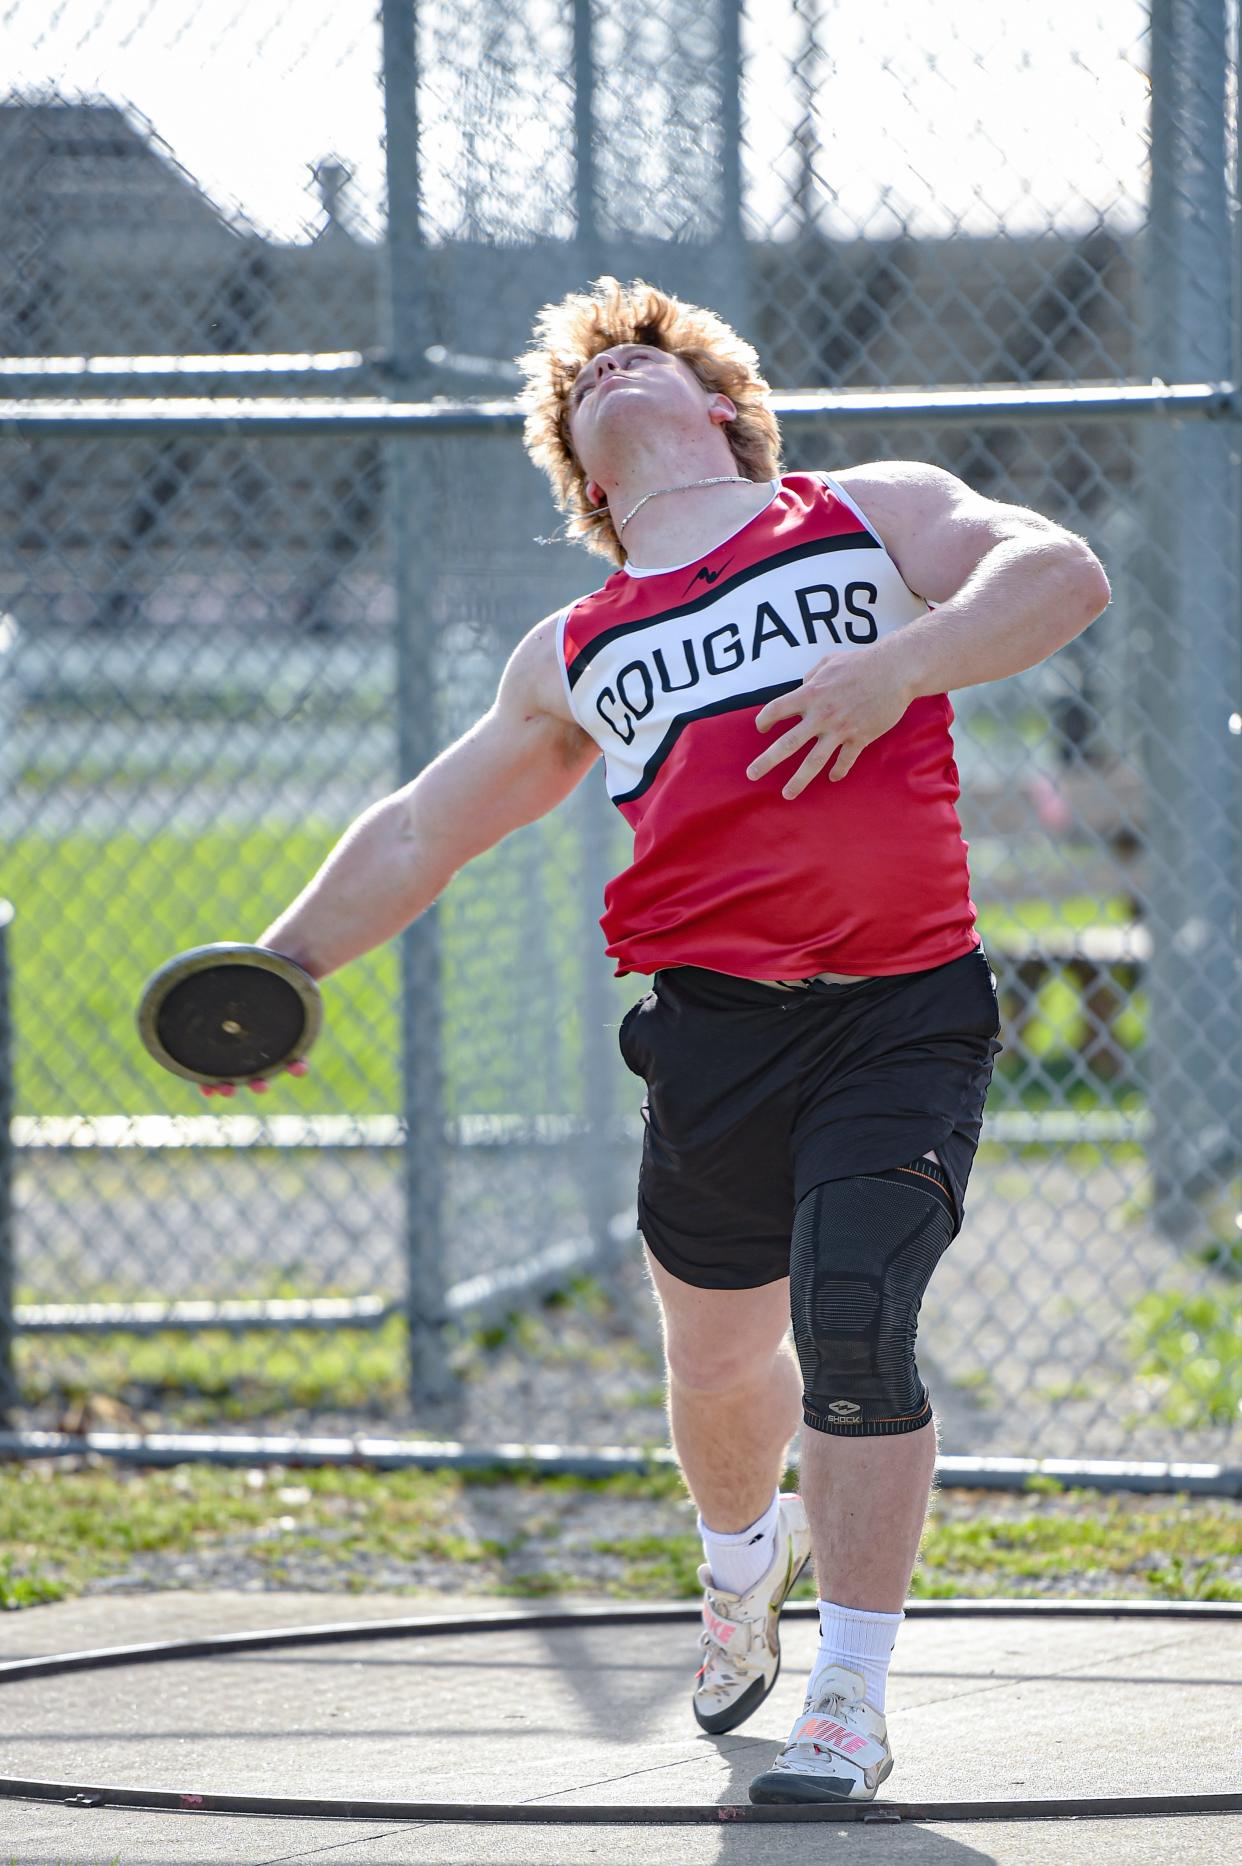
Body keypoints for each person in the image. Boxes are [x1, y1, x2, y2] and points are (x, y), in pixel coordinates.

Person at [214, 276, 1111, 1804]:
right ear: (582, 462)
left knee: (851, 1315)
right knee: (714, 1365)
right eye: (589, 373)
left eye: (658, 353)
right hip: (710, 1036)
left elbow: (1059, 570)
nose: (622, 363)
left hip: (901, 1006)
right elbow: (428, 824)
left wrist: (901, 660)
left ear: (722, 409)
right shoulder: (575, 643)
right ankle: (734, 1563)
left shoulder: (863, 509)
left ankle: (851, 1691)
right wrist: (279, 965)